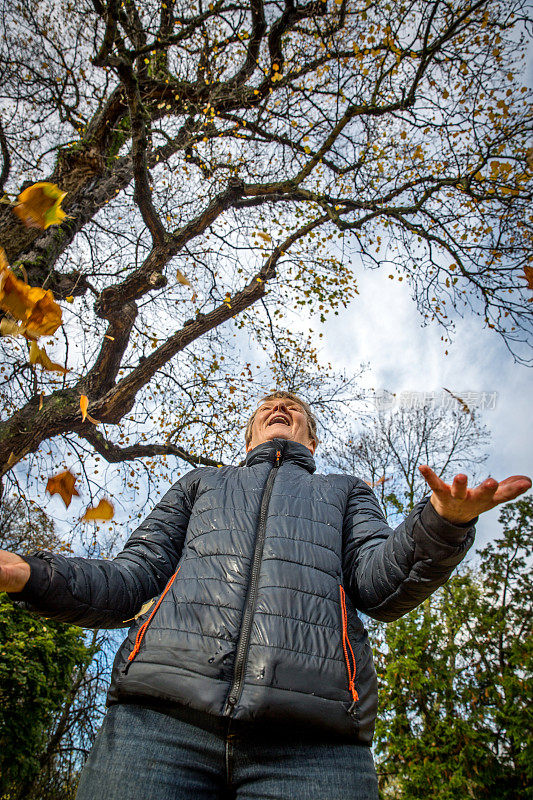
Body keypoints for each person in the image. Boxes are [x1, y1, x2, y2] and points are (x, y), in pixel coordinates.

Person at [2, 390, 530, 800]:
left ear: (311, 439)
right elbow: (130, 580)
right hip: (157, 727)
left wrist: (442, 524)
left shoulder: (343, 492)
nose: (280, 407)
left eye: (293, 407)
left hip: (313, 745)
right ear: (250, 433)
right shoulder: (201, 484)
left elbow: (378, 586)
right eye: (269, 407)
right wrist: (31, 572)